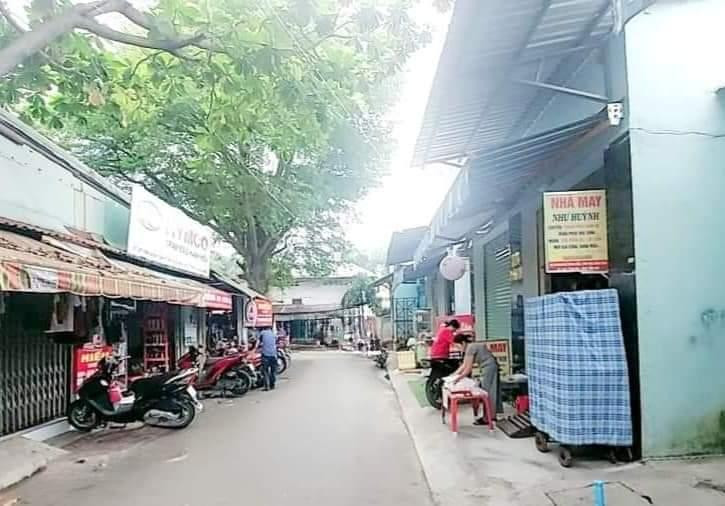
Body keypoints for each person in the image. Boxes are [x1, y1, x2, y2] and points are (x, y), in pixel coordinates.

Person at [451, 333, 503, 424]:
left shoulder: (470, 348)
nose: (458, 349)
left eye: (458, 346)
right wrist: (452, 376)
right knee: (490, 391)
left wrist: (456, 379)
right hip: (490, 367)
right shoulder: (471, 346)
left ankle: (488, 418)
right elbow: (464, 365)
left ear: (463, 343)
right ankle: (491, 416)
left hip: (489, 368)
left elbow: (467, 370)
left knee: (488, 392)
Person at [258, 326, 278, 391]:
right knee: (273, 371)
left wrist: (255, 349)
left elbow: (258, 342)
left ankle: (267, 386)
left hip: (266, 355)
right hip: (274, 355)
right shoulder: (274, 334)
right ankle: (272, 385)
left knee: (265, 371)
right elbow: (276, 342)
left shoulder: (262, 333)